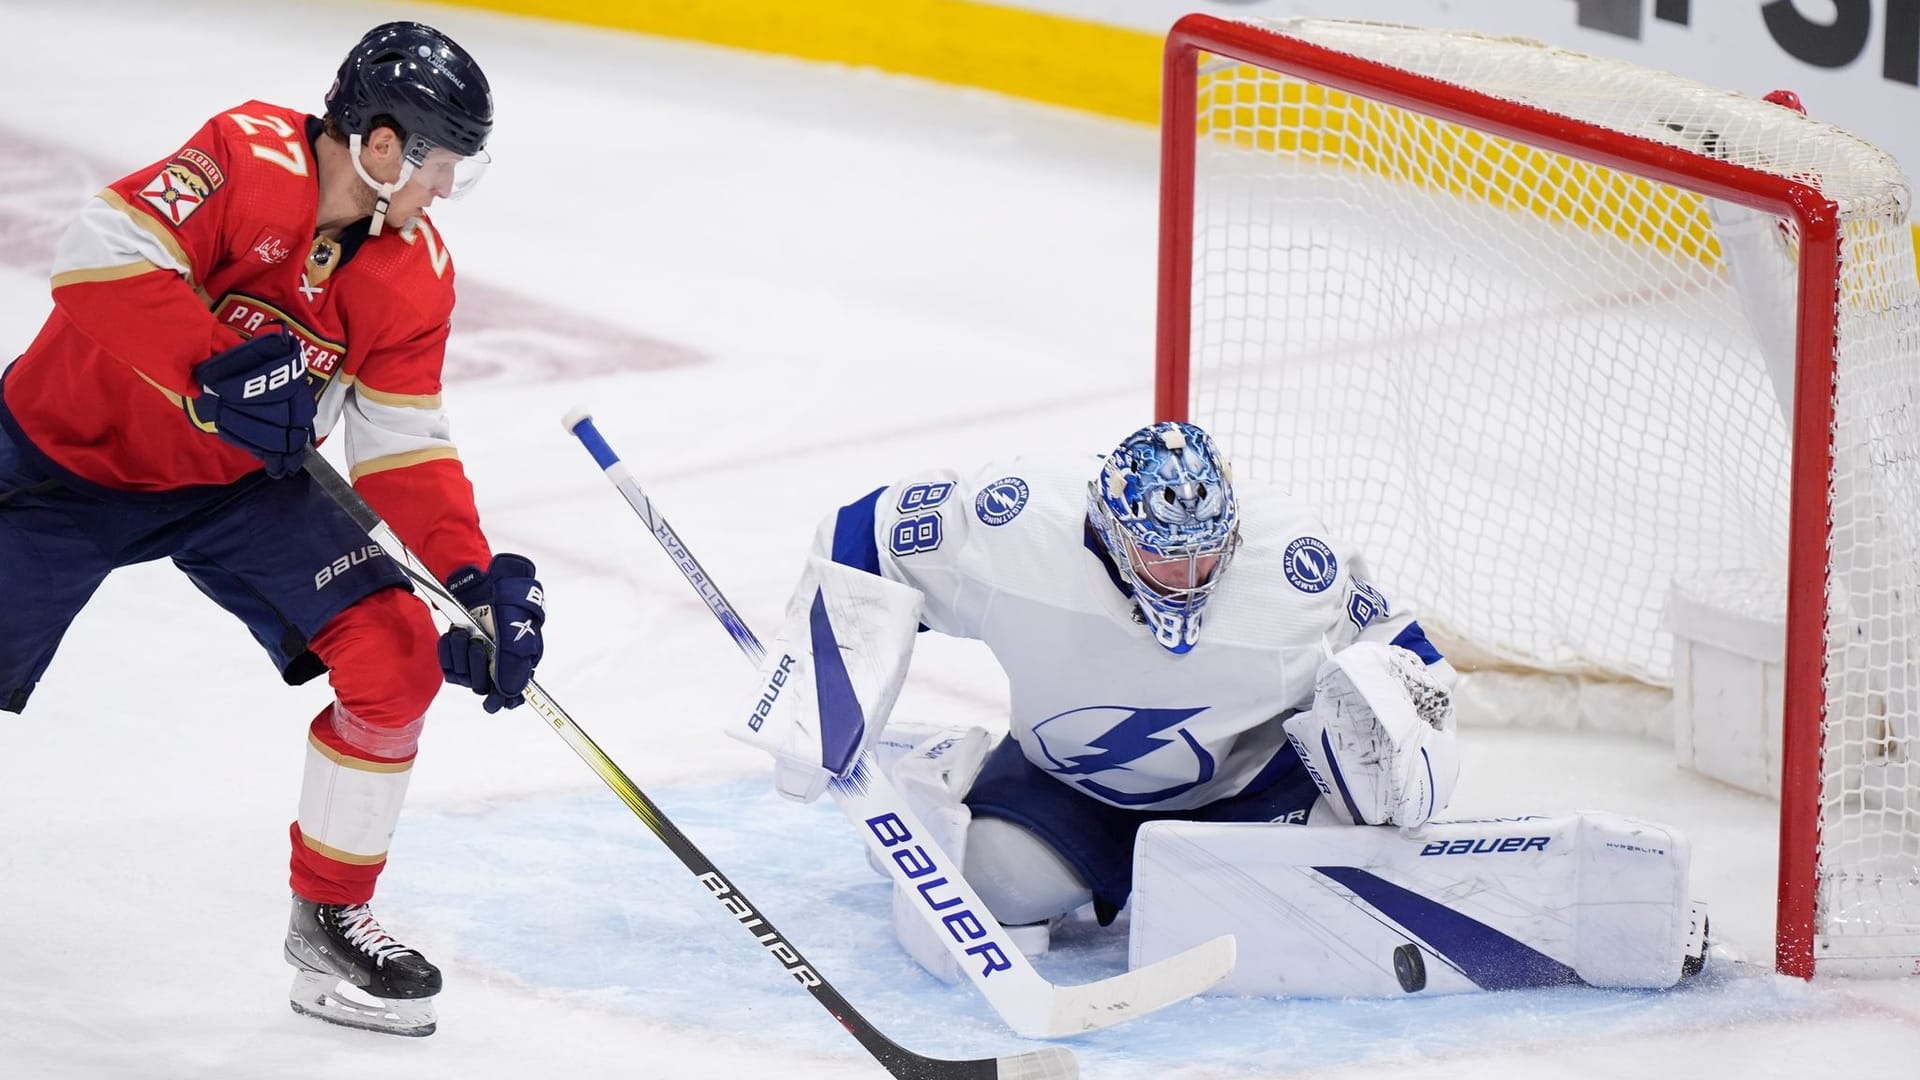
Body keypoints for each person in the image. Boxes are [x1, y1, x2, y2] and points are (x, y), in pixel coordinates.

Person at [740, 420, 1705, 997]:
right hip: (1073, 784)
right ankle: (927, 786)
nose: (1188, 576)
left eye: (1206, 552)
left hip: (1247, 786)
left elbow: (1408, 659)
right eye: (1164, 556)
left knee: (1362, 744)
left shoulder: (1296, 565)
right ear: (1109, 529)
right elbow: (857, 534)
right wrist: (828, 691)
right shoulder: (1010, 524)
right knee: (993, 893)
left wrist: (1410, 761)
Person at [0, 22, 547, 1036]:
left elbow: (401, 443)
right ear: (381, 147)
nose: (440, 191)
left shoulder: (416, 268)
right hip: (56, 464)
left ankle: (332, 917)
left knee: (395, 662)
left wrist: (470, 576)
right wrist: (212, 365)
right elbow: (95, 250)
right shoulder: (244, 154)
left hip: (236, 489)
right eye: (437, 166)